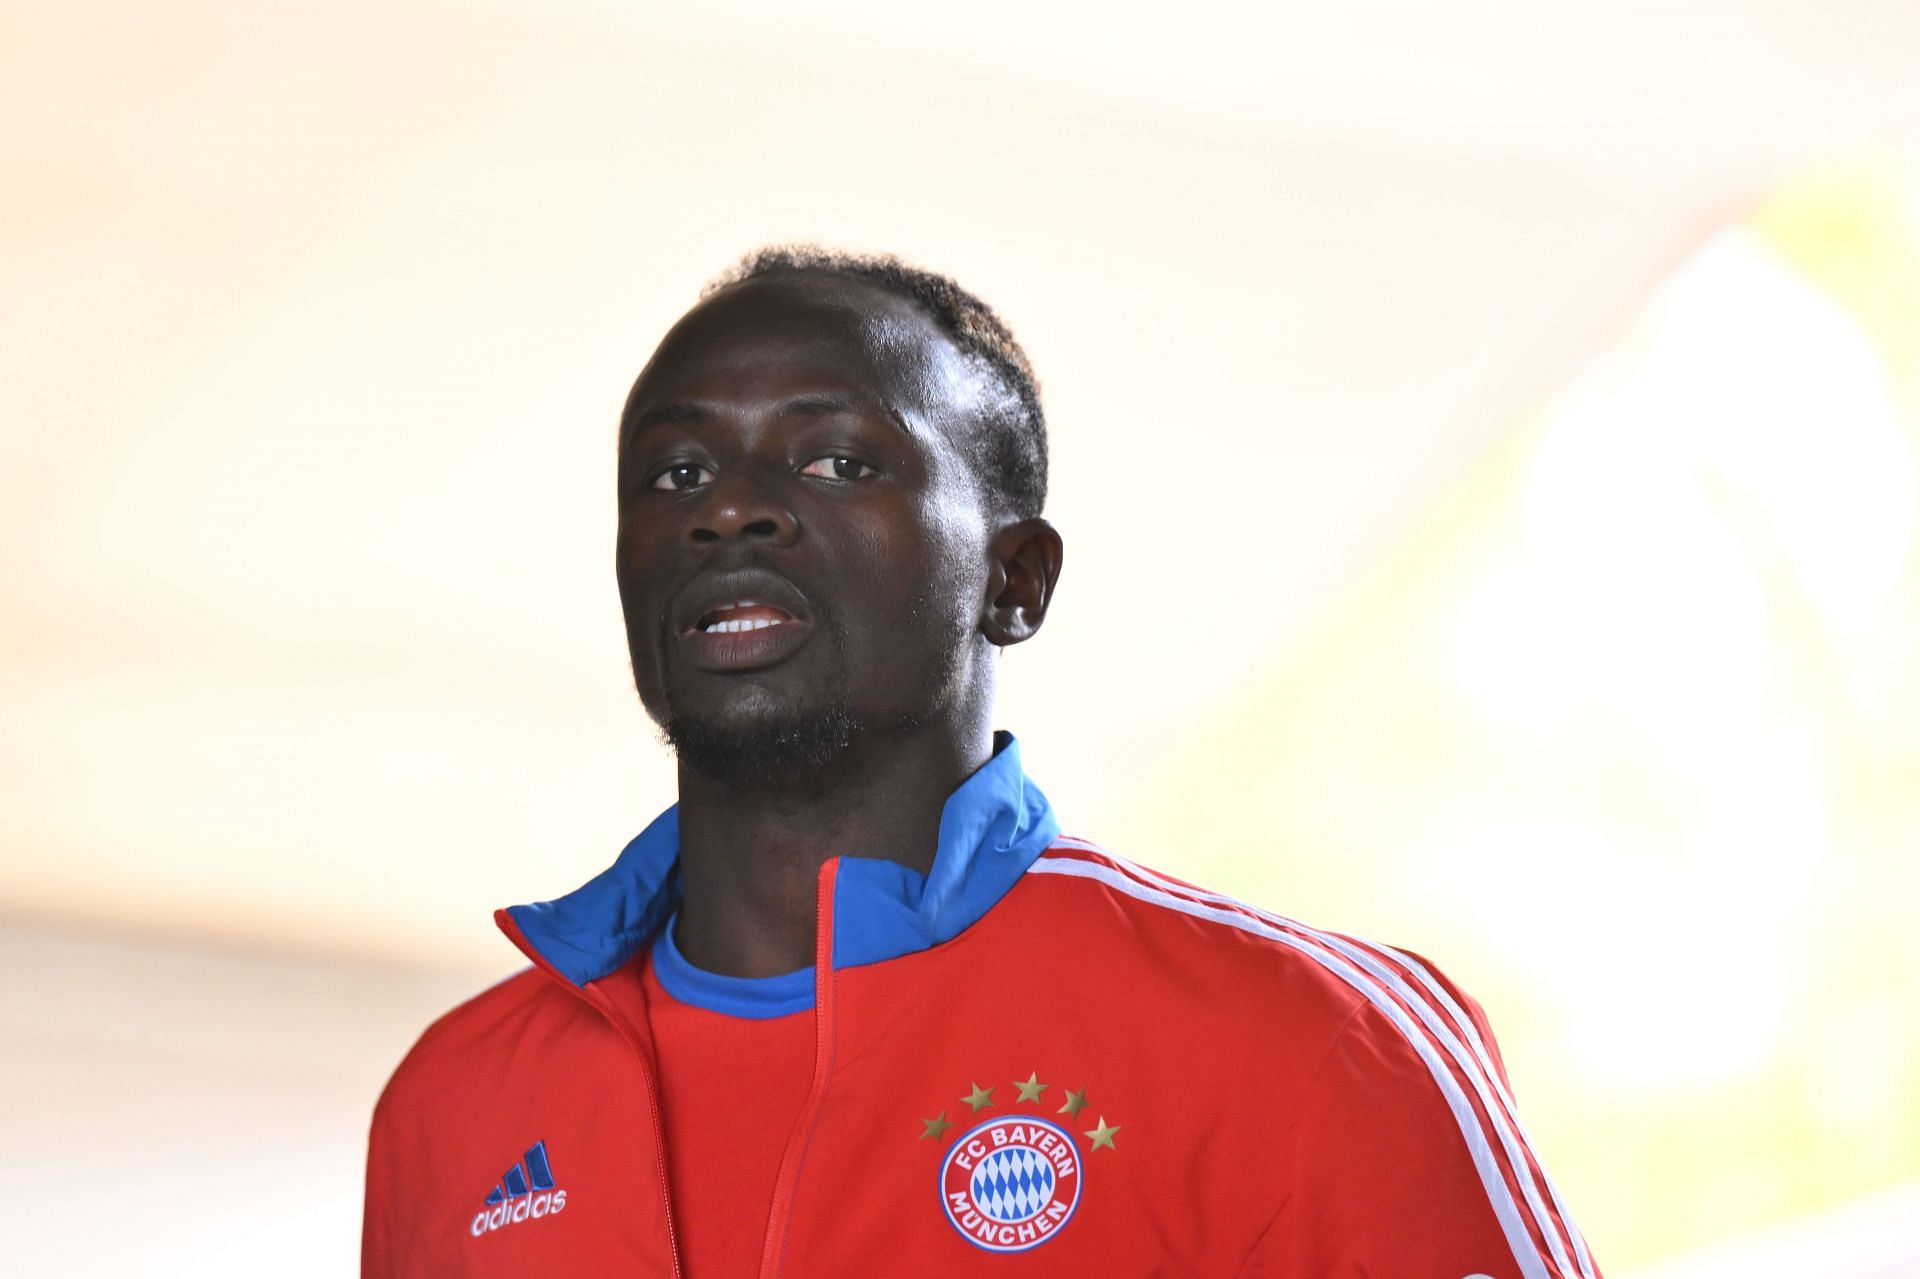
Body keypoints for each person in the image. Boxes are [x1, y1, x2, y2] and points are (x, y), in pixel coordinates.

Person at [362, 247, 1600, 1278]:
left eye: (837, 459)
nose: (726, 508)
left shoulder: (1309, 1041)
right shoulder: (455, 1101)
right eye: (675, 472)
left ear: (1014, 580)